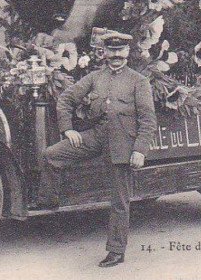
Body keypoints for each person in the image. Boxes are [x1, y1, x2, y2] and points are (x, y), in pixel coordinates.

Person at [37, 31, 158, 267]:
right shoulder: (95, 77)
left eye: (120, 50)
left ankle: (116, 250)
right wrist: (68, 129)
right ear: (104, 52)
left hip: (123, 142)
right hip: (97, 135)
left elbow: (148, 120)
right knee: (51, 155)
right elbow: (65, 100)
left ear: (127, 52)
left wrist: (139, 150)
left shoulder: (138, 81)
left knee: (119, 201)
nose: (116, 55)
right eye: (111, 50)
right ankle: (49, 201)